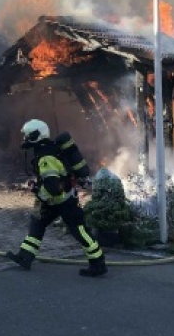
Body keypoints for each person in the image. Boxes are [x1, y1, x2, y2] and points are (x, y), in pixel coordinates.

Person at [6, 119, 107, 277]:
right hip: (54, 201)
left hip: (64, 200)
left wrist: (36, 189)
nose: (24, 139)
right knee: (37, 223)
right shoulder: (47, 150)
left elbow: (53, 188)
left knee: (79, 230)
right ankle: (25, 256)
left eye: (26, 135)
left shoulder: (46, 156)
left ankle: (98, 263)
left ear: (35, 135)